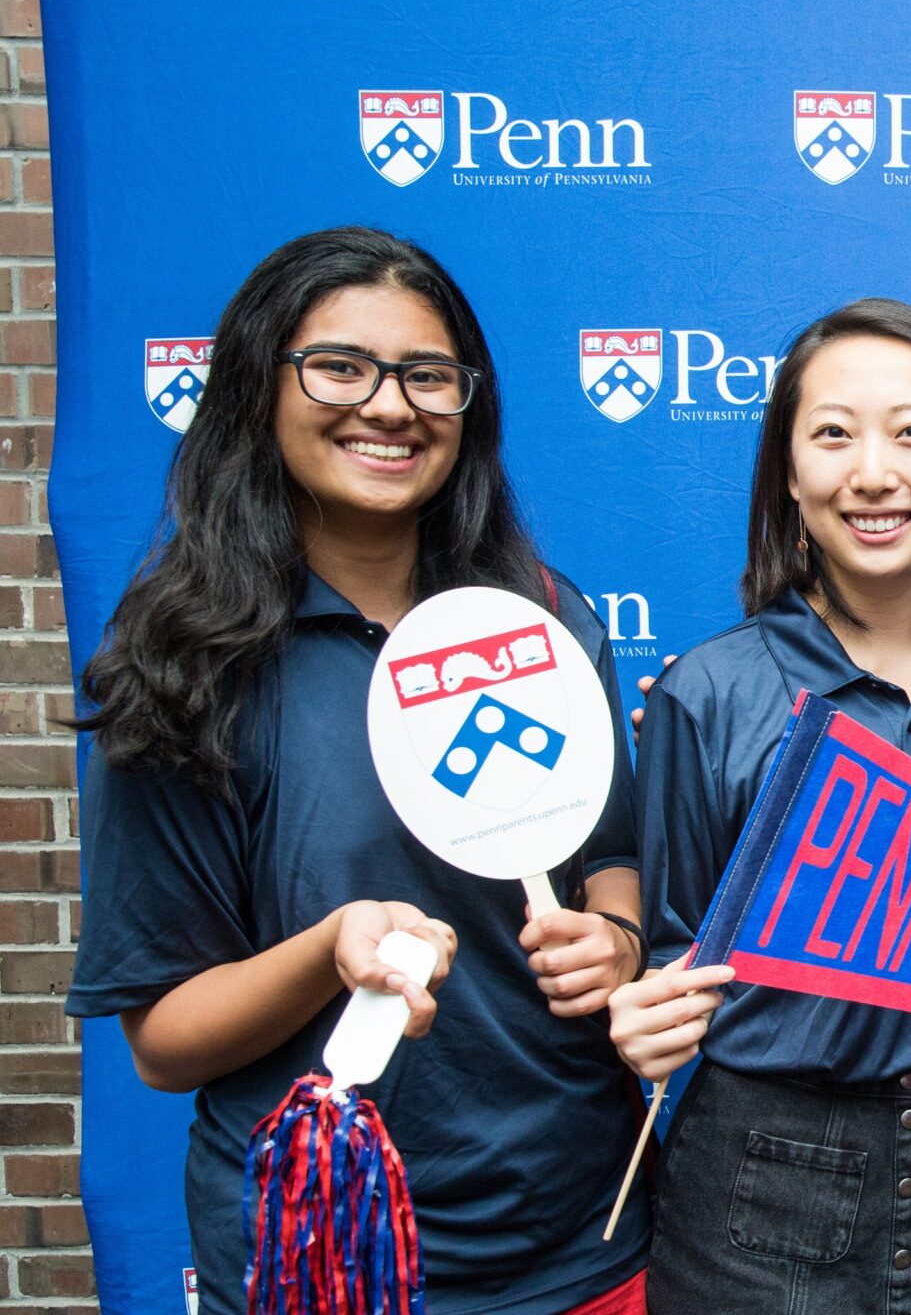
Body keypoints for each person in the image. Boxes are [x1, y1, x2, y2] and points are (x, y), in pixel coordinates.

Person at [65, 227, 651, 1315]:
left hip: (581, 1235)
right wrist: (327, 955)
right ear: (258, 386)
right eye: (340, 366)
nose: (390, 405)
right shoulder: (182, 667)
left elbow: (610, 847)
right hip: (326, 1257)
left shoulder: (543, 618)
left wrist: (612, 939)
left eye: (428, 375)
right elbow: (162, 1038)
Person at [606, 299, 911, 1315]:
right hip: (766, 1178)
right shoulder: (705, 691)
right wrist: (647, 1014)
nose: (873, 474)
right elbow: (675, 948)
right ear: (789, 473)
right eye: (833, 435)